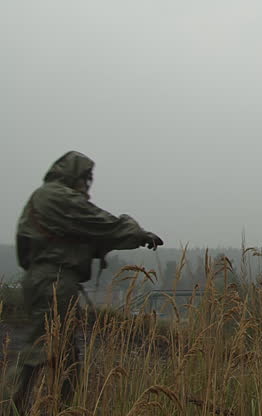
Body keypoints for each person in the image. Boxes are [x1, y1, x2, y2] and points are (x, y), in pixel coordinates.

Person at [3, 151, 163, 411]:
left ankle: (62, 407)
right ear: (72, 174)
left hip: (48, 278)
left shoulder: (46, 197)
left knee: (67, 359)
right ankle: (8, 405)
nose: (86, 184)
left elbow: (83, 231)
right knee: (39, 348)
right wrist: (136, 232)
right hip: (54, 281)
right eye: (84, 177)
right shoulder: (57, 196)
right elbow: (99, 222)